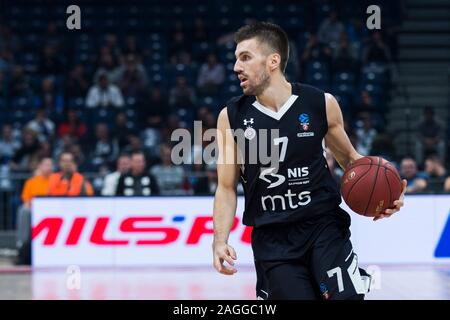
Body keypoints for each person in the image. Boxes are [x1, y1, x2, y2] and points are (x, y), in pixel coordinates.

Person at [212, 22, 406, 300]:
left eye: (245, 57)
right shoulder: (231, 117)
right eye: (236, 59)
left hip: (323, 226)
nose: (236, 67)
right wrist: (219, 241)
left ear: (273, 61)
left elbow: (352, 160)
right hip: (273, 237)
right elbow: (226, 187)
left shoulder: (320, 103)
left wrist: (387, 194)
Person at [16, 157, 53, 265]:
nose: (49, 167)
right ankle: (22, 243)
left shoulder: (55, 180)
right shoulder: (31, 181)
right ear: (40, 167)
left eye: (50, 165)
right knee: (23, 210)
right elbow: (26, 199)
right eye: (46, 165)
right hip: (35, 210)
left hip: (51, 210)